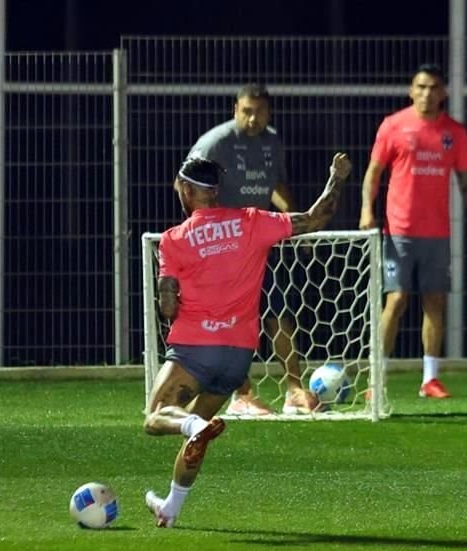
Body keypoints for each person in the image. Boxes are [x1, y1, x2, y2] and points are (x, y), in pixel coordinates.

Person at [143, 152, 351, 528]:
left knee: (156, 417)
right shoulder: (251, 222)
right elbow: (316, 217)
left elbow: (168, 306)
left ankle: (192, 425)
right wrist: (336, 177)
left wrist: (173, 298)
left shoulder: (174, 240)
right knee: (199, 432)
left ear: (187, 191)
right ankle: (171, 507)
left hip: (195, 348)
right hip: (238, 355)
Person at [184, 82, 317, 416]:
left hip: (260, 242)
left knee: (279, 312)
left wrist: (294, 221)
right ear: (235, 109)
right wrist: (202, 231)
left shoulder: (272, 141)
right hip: (224, 246)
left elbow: (275, 185)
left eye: (259, 111)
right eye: (246, 111)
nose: (253, 117)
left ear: (268, 111)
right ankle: (241, 395)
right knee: (232, 320)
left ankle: (294, 390)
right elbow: (184, 184)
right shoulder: (216, 143)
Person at [359, 63, 467, 399]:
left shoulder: (454, 133)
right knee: (396, 299)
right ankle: (377, 379)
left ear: (443, 93)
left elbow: (465, 179)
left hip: (437, 233)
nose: (427, 93)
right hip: (399, 231)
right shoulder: (393, 126)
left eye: (433, 88)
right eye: (421, 87)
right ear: (411, 90)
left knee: (435, 301)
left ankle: (430, 379)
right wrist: (367, 208)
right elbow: (374, 171)